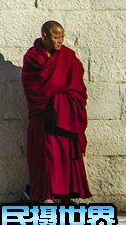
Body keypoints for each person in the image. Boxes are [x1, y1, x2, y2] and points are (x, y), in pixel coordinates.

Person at [22, 21, 90, 203]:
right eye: (55, 37)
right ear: (44, 35)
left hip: (65, 115)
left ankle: (66, 194)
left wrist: (66, 99)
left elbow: (78, 85)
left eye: (62, 37)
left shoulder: (68, 56)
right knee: (47, 157)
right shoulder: (32, 58)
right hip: (44, 117)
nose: (60, 41)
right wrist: (54, 98)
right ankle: (46, 195)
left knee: (65, 157)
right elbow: (34, 87)